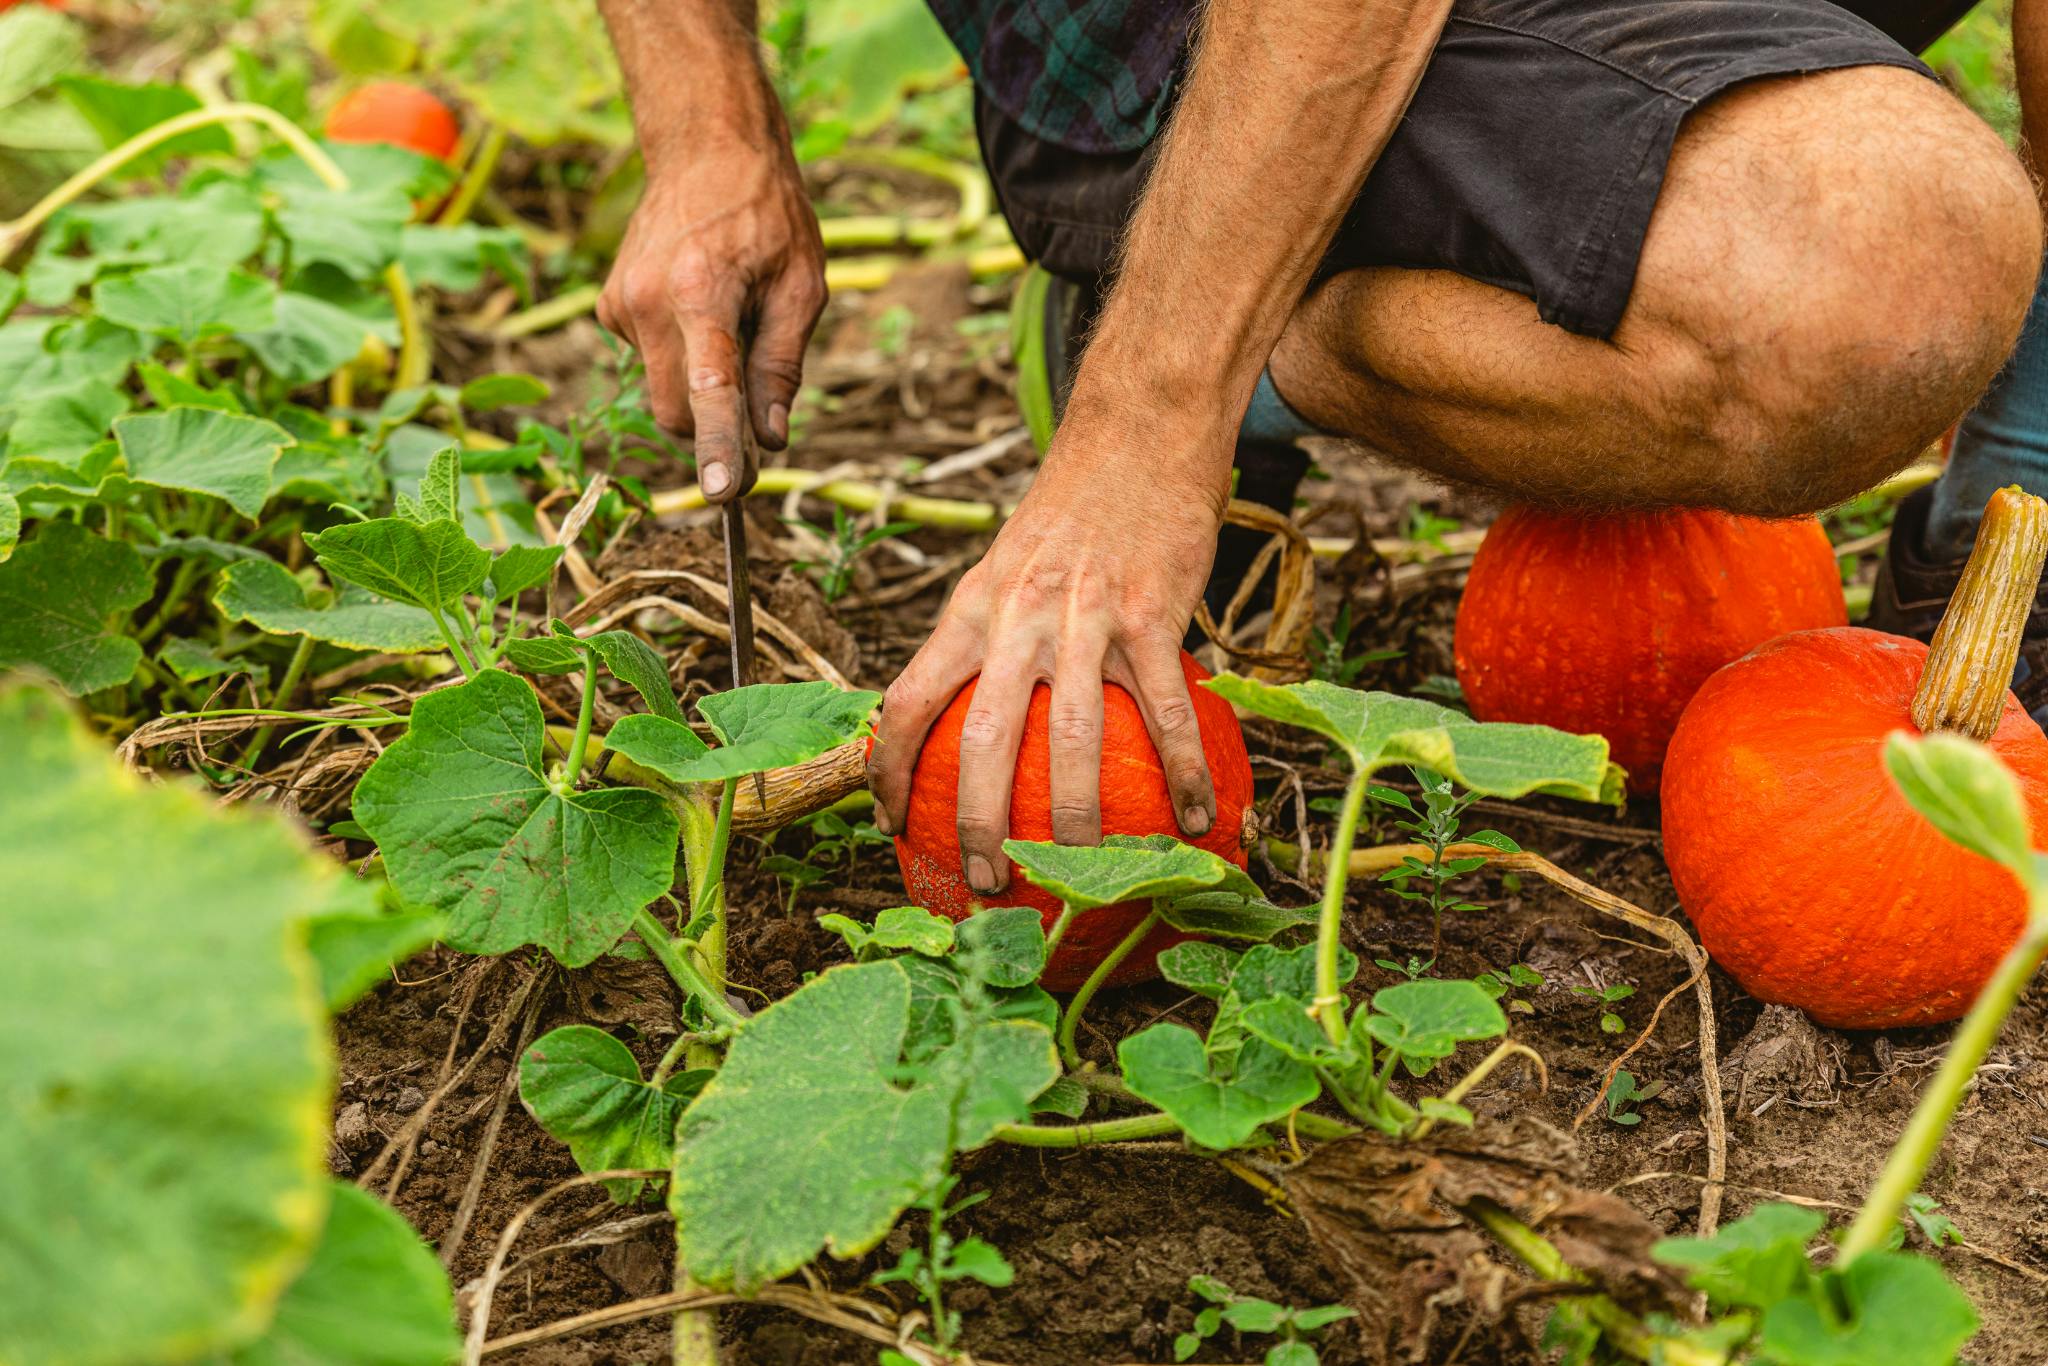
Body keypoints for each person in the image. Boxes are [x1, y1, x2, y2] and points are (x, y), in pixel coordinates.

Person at [594, 0, 2046, 897]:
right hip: (1178, 38)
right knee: (1878, 274)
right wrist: (703, 118)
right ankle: (1201, 326)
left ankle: (2026, 462)